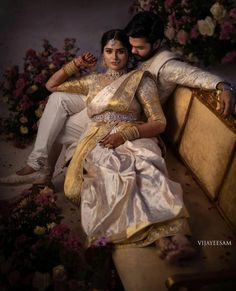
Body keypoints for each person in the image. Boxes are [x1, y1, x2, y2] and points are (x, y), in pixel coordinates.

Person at [1, 11, 235, 185]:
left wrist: (223, 85)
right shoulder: (136, 54)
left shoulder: (167, 64)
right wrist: (78, 64)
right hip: (107, 95)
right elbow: (52, 85)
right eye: (129, 47)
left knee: (53, 124)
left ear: (157, 43)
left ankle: (43, 174)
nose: (132, 52)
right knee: (58, 99)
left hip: (127, 111)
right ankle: (38, 163)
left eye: (138, 48)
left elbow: (193, 75)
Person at [44, 28, 195, 262]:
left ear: (129, 54)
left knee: (143, 168)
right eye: (109, 51)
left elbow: (159, 122)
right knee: (107, 175)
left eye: (121, 51)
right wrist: (76, 64)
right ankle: (159, 239)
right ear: (102, 53)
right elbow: (51, 86)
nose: (114, 57)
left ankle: (176, 236)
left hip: (135, 135)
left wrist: (125, 136)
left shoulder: (140, 80)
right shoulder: (93, 81)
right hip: (98, 138)